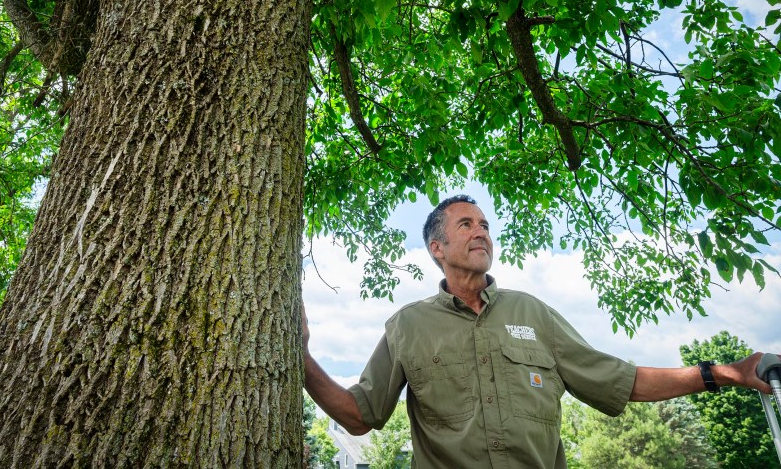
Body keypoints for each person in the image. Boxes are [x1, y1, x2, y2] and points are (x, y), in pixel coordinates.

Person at [303, 194, 774, 469]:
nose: (481, 232)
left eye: (485, 225)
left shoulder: (533, 313)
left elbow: (620, 380)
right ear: (436, 247)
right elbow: (360, 415)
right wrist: (297, 356)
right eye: (466, 225)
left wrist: (723, 373)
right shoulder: (408, 326)